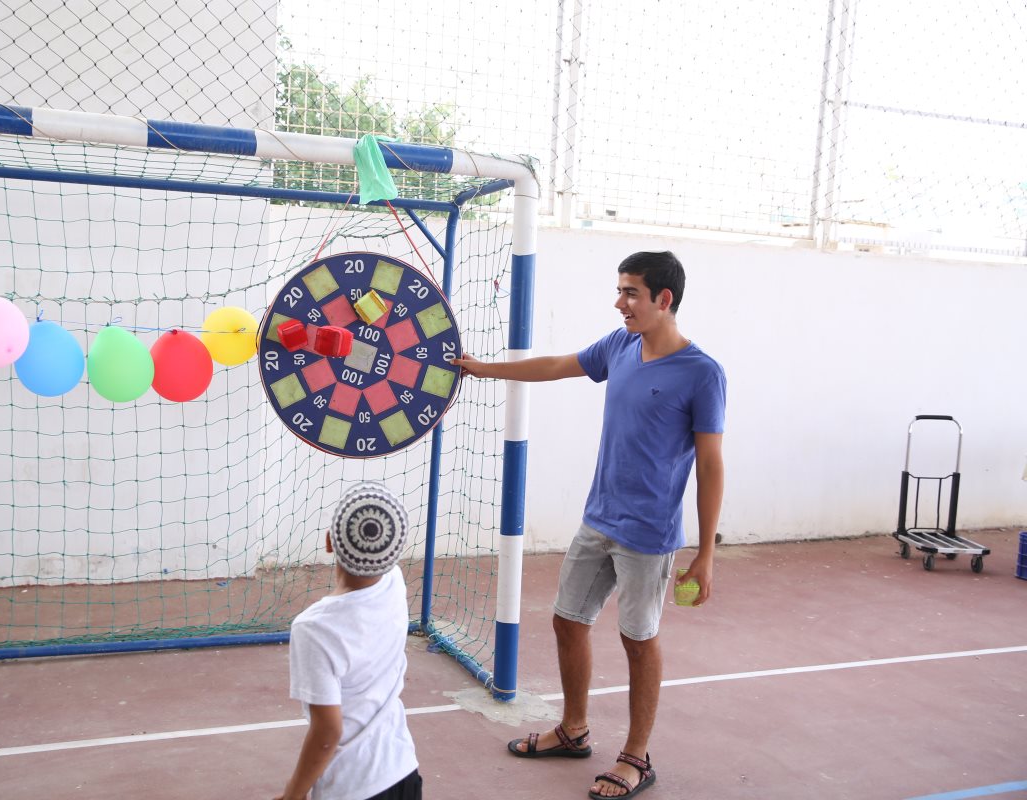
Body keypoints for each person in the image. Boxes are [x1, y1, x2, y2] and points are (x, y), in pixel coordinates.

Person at [453, 250, 726, 799]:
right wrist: (484, 368)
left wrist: (706, 553)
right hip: (598, 518)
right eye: (620, 290)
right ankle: (574, 731)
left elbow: (711, 464)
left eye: (630, 293)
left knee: (638, 641)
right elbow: (557, 365)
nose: (619, 302)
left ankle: (636, 757)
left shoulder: (702, 373)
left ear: (663, 299)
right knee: (567, 621)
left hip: (648, 535)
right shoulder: (620, 345)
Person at [274, 482, 422, 800]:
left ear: (330, 542)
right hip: (403, 770)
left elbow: (328, 732)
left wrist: (292, 795)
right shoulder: (394, 584)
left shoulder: (315, 628)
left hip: (352, 788)